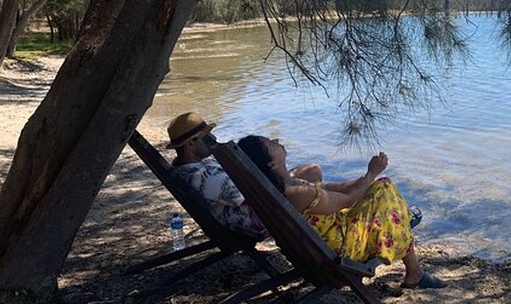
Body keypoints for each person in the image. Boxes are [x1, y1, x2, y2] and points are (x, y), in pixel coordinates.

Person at [237, 134, 445, 289]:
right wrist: (372, 173)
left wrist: (361, 182)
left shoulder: (277, 187)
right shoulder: (296, 193)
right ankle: (411, 259)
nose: (276, 139)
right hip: (340, 249)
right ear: (272, 164)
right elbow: (348, 199)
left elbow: (336, 190)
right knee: (384, 187)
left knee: (374, 194)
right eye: (271, 144)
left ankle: (401, 221)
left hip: (316, 247)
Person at [166, 112, 321, 236]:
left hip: (239, 213)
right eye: (206, 137)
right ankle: (323, 235)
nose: (213, 138)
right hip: (260, 218)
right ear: (191, 144)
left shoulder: (184, 168)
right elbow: (253, 196)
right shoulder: (210, 177)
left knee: (309, 172)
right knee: (311, 174)